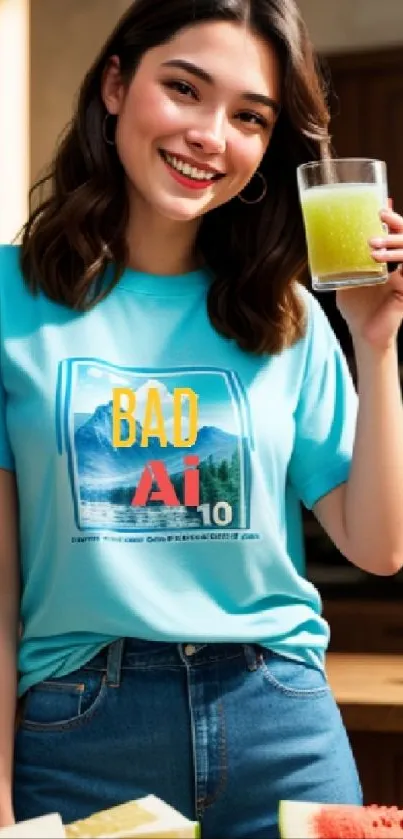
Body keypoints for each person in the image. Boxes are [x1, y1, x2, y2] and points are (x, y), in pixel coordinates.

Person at [1, 0, 403, 836]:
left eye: (248, 116)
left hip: (281, 719)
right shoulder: (11, 299)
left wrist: (375, 343)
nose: (210, 135)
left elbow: (380, 544)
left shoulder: (284, 315)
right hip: (80, 729)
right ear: (116, 84)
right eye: (184, 89)